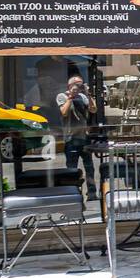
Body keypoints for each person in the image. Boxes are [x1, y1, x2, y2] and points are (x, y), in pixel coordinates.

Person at [57, 71, 98, 199]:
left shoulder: (83, 96)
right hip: (71, 138)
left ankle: (91, 193)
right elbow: (63, 112)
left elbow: (93, 109)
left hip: (84, 137)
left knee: (89, 167)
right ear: (69, 86)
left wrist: (89, 94)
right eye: (76, 85)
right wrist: (70, 97)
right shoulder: (62, 96)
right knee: (71, 169)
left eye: (80, 85)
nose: (78, 87)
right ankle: (73, 193)